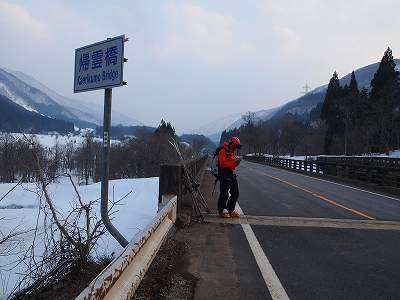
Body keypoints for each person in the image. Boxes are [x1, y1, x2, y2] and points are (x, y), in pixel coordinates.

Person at [218, 136, 242, 218]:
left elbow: (232, 165)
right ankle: (222, 210)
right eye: (236, 146)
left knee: (235, 193)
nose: (236, 148)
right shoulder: (223, 151)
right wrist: (233, 161)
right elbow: (222, 164)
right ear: (232, 144)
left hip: (231, 173)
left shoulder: (232, 152)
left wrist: (237, 162)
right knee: (224, 193)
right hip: (224, 173)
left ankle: (230, 210)